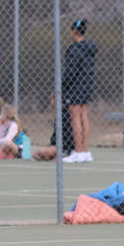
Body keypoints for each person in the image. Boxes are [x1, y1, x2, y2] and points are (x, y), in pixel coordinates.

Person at [62, 19, 97, 163]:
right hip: (87, 85)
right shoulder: (90, 48)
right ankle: (86, 151)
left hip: (76, 86)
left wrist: (62, 87)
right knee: (84, 116)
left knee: (75, 116)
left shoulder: (74, 49)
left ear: (74, 31)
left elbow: (71, 72)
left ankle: (79, 151)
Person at [32, 95, 76, 161]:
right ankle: (56, 154)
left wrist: (61, 147)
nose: (51, 102)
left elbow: (69, 134)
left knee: (41, 153)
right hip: (55, 144)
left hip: (65, 146)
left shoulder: (65, 113)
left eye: (53, 99)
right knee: (35, 155)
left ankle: (63, 154)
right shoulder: (59, 113)